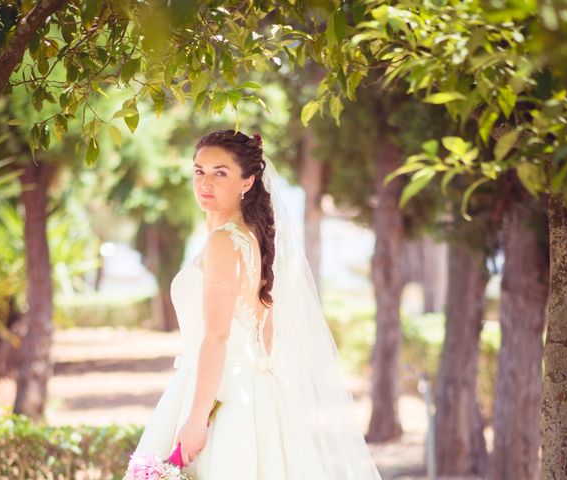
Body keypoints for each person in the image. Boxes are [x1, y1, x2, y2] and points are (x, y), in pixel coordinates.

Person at [126, 129, 382, 479]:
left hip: (221, 395)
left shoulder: (223, 242)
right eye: (199, 171)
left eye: (221, 173)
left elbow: (216, 335)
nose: (205, 183)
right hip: (250, 391)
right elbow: (267, 333)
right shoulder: (252, 239)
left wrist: (197, 421)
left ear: (247, 183)